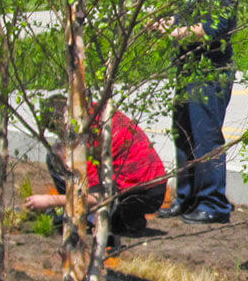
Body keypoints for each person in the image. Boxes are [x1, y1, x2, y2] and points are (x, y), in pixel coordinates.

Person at [156, 0, 237, 225]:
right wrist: (163, 23)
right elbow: (184, 22)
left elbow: (212, 29)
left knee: (205, 137)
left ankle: (213, 204)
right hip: (187, 70)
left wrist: (176, 33)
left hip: (209, 71)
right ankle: (187, 198)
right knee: (183, 134)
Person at [29, 95, 167, 236]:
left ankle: (86, 216)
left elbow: (96, 197)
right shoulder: (97, 111)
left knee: (54, 156)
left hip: (137, 193)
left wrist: (50, 200)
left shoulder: (87, 139)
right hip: (156, 188)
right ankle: (128, 221)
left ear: (60, 123)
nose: (61, 137)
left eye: (59, 132)